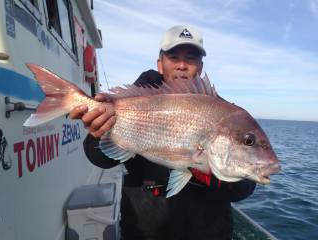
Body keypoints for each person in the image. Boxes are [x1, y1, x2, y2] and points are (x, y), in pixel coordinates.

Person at [70, 25, 256, 240]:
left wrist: (212, 174)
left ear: (201, 67)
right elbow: (100, 159)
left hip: (208, 231)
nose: (182, 66)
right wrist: (98, 133)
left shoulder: (225, 115)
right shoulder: (132, 103)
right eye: (174, 57)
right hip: (146, 230)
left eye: (191, 59)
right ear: (160, 65)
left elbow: (244, 189)